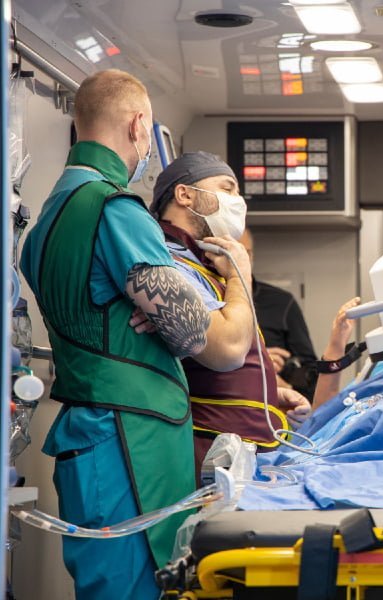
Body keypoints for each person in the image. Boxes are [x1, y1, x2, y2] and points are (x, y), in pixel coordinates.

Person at [19, 70, 211, 600]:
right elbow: (193, 330)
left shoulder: (45, 225)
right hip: (131, 441)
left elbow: (95, 309)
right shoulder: (115, 209)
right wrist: (180, 308)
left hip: (90, 438)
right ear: (138, 125)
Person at [147, 152, 311, 478]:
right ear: (185, 194)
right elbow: (228, 350)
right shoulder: (169, 267)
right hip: (209, 452)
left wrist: (264, 391)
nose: (238, 202)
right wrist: (240, 276)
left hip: (242, 447)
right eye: (228, 188)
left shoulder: (205, 268)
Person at [239, 229, 319, 399]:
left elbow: (310, 373)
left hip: (271, 406)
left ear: (251, 255)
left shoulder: (282, 302)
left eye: (242, 252)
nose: (236, 259)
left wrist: (285, 371)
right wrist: (259, 360)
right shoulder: (206, 298)